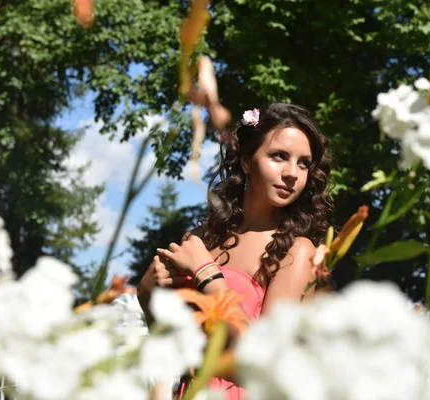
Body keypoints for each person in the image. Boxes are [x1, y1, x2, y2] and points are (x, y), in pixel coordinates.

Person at [137, 102, 334, 399]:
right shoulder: (203, 240)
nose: (292, 173)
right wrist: (148, 296)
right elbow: (173, 347)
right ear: (245, 161)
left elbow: (263, 360)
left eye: (303, 163)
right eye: (279, 156)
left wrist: (207, 274)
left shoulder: (298, 252)